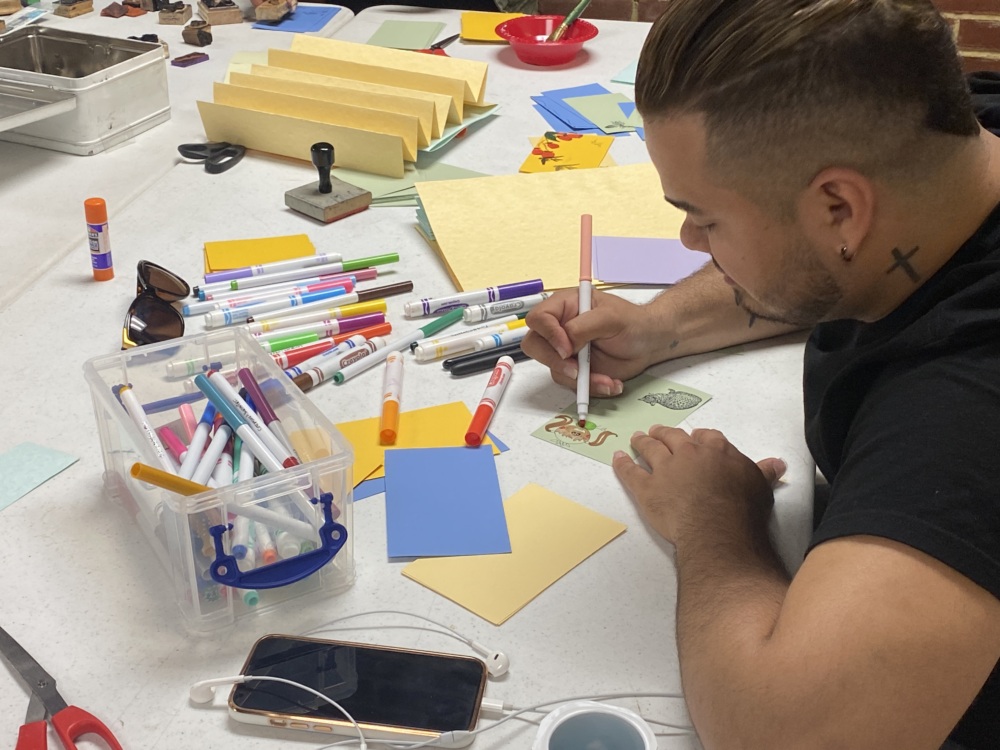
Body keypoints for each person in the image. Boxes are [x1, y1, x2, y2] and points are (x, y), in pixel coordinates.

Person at [521, 1, 1000, 748]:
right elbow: (830, 264)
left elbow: (781, 732)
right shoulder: (950, 145)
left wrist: (716, 519)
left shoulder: (966, 406)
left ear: (840, 207)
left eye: (705, 219)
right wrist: (661, 325)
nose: (687, 239)